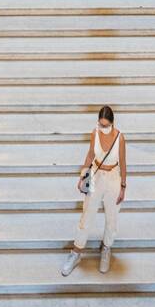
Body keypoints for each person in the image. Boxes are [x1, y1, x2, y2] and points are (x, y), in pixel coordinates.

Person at [60, 106, 127, 278]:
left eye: (106, 125)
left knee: (111, 217)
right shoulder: (94, 133)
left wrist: (123, 186)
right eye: (100, 124)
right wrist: (83, 175)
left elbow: (123, 163)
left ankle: (106, 248)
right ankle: (76, 253)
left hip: (113, 177)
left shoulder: (120, 138)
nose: (103, 128)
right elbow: (90, 155)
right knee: (87, 215)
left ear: (112, 123)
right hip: (96, 176)